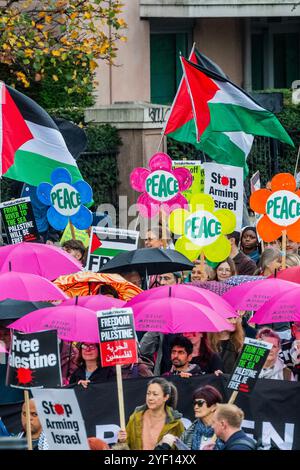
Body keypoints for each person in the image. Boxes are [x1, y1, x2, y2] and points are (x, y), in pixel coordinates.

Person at [117, 378, 184, 450]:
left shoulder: (176, 424)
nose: (150, 398)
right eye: (148, 393)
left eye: (155, 394)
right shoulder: (135, 418)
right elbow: (123, 448)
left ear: (166, 397)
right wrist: (122, 441)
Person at [158, 385, 224, 450]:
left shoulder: (225, 431)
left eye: (200, 403)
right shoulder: (189, 432)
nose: (196, 407)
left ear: (214, 407)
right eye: (194, 403)